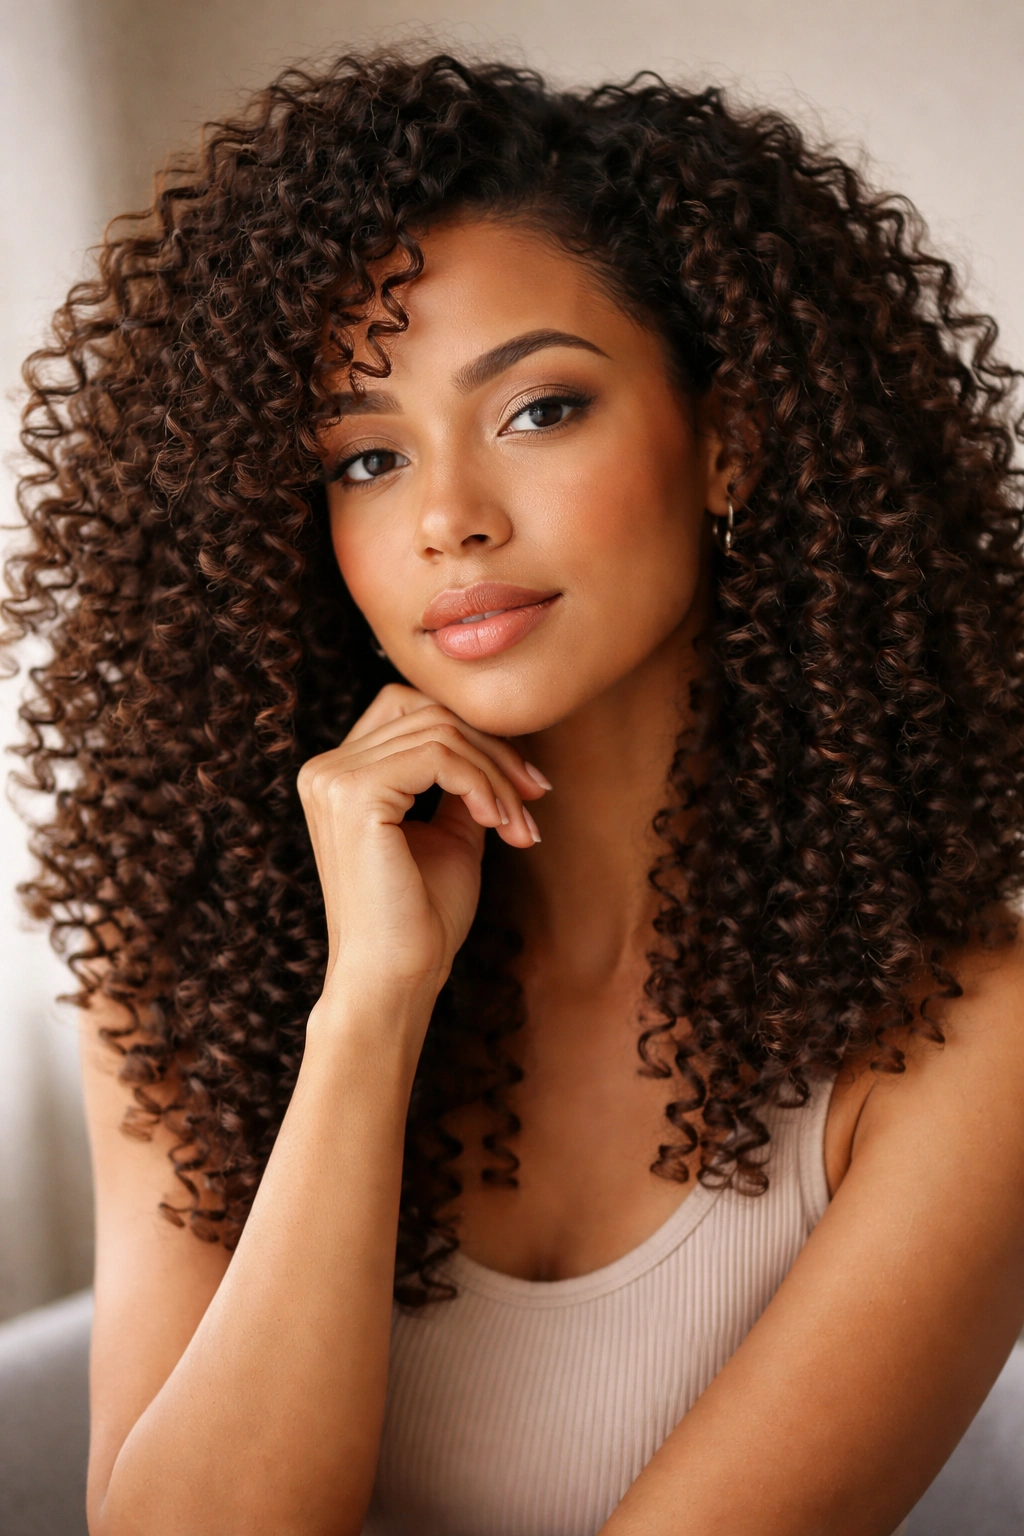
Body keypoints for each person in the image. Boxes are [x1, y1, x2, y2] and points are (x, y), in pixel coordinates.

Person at [6, 50, 1024, 1536]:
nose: (447, 520)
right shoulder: (185, 976)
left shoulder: (967, 1040)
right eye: (363, 456)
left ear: (730, 439)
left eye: (540, 410)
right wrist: (369, 1011)